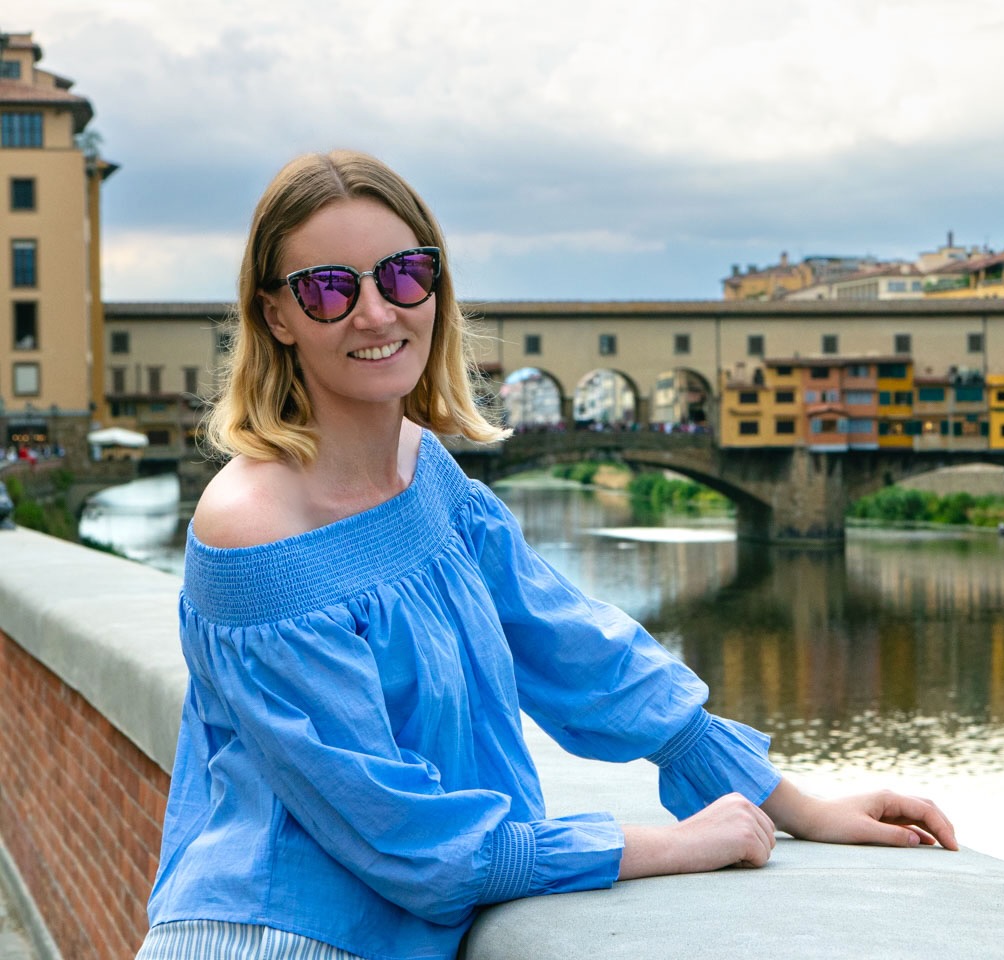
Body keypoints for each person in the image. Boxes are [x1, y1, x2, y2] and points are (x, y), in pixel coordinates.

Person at [136, 150, 957, 960]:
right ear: (275, 315)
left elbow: (573, 647)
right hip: (263, 938)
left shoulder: (426, 475)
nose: (377, 313)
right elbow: (410, 838)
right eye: (328, 289)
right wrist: (665, 845)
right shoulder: (255, 532)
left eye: (403, 275)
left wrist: (790, 804)